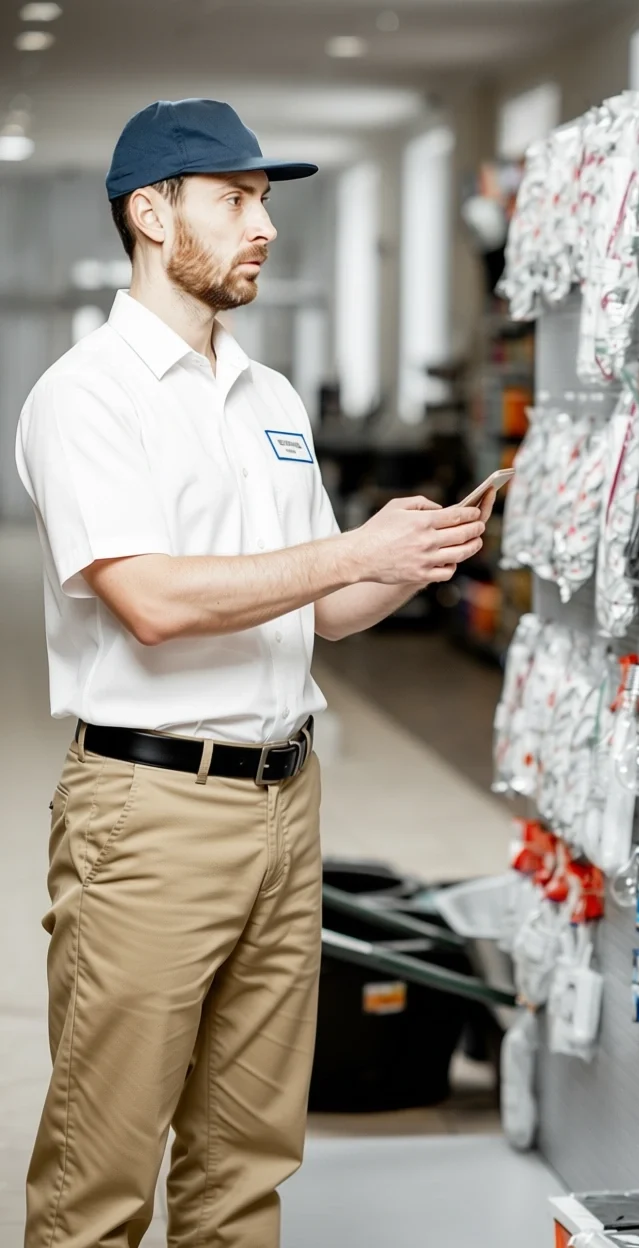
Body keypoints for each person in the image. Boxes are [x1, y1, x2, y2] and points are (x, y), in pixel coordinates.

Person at [15, 98, 496, 1248]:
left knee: (246, 1165)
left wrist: (408, 562)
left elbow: (326, 606)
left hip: (286, 802)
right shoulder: (85, 397)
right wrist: (349, 548)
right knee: (102, 1172)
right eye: (233, 200)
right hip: (152, 816)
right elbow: (152, 600)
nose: (262, 226)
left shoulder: (271, 399)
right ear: (149, 214)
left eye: (265, 202)